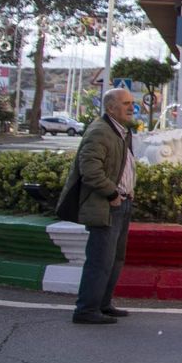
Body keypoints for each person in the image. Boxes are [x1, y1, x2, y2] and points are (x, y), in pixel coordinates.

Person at [56, 87, 138, 325]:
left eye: (132, 103)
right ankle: (86, 309)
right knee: (100, 260)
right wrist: (112, 192)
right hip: (106, 204)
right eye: (125, 103)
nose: (131, 107)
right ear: (111, 107)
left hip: (122, 202)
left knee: (115, 259)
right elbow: (90, 170)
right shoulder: (100, 132)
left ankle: (102, 304)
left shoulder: (121, 131)